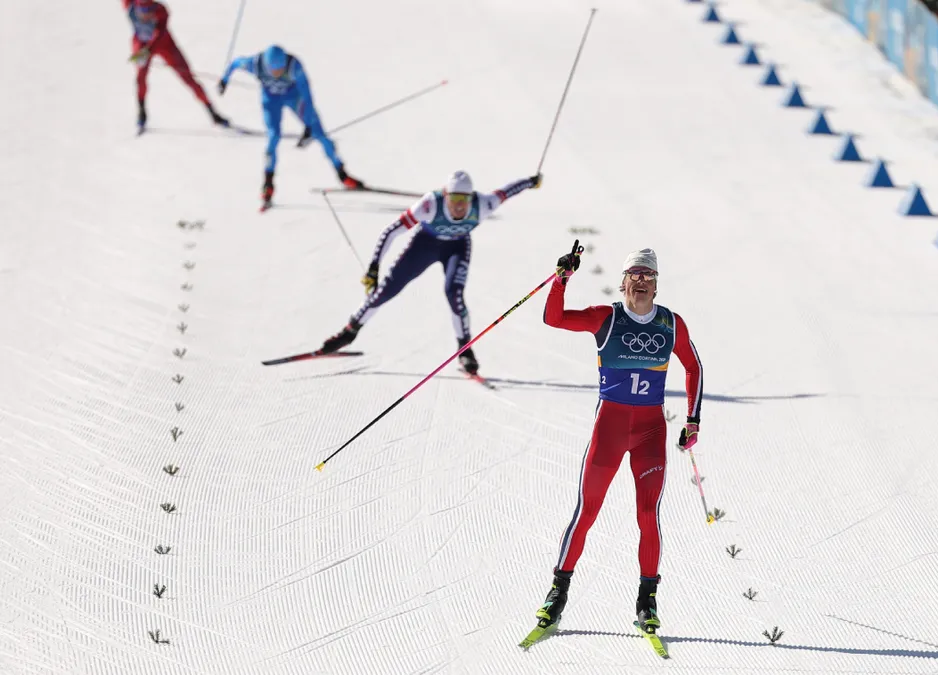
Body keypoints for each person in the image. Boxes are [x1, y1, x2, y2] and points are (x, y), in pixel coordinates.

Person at [533, 245, 704, 636]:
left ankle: (648, 601)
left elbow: (693, 366)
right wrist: (561, 279)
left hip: (649, 433)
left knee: (648, 515)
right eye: (635, 275)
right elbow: (554, 318)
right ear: (624, 281)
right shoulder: (605, 318)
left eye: (649, 276)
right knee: (587, 511)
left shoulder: (671, 324)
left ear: (657, 286)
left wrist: (692, 420)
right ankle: (557, 591)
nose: (641, 282)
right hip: (609, 429)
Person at [318, 170, 543, 374]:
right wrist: (374, 266)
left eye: (463, 200)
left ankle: (465, 351)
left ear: (470, 197)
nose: (459, 206)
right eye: (454, 199)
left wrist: (530, 182)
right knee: (388, 289)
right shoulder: (430, 204)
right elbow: (391, 232)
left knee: (454, 294)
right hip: (424, 245)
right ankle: (349, 332)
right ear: (445, 195)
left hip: (457, 247)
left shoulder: (483, 204)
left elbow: (507, 191)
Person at [218, 45, 364, 206]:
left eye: (280, 70)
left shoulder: (295, 67)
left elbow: (307, 95)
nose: (277, 73)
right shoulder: (255, 64)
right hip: (271, 101)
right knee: (273, 137)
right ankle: (268, 184)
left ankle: (343, 175)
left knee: (320, 134)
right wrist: (224, 81)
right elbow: (235, 63)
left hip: (294, 98)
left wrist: (309, 123)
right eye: (273, 71)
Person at [124, 0, 228, 132]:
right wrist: (139, 52)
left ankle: (212, 111)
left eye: (150, 10)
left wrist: (146, 52)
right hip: (142, 43)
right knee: (140, 78)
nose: (146, 15)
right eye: (143, 11)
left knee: (188, 78)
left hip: (164, 44)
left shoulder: (162, 11)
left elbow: (159, 35)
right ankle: (142, 111)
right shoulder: (129, 5)